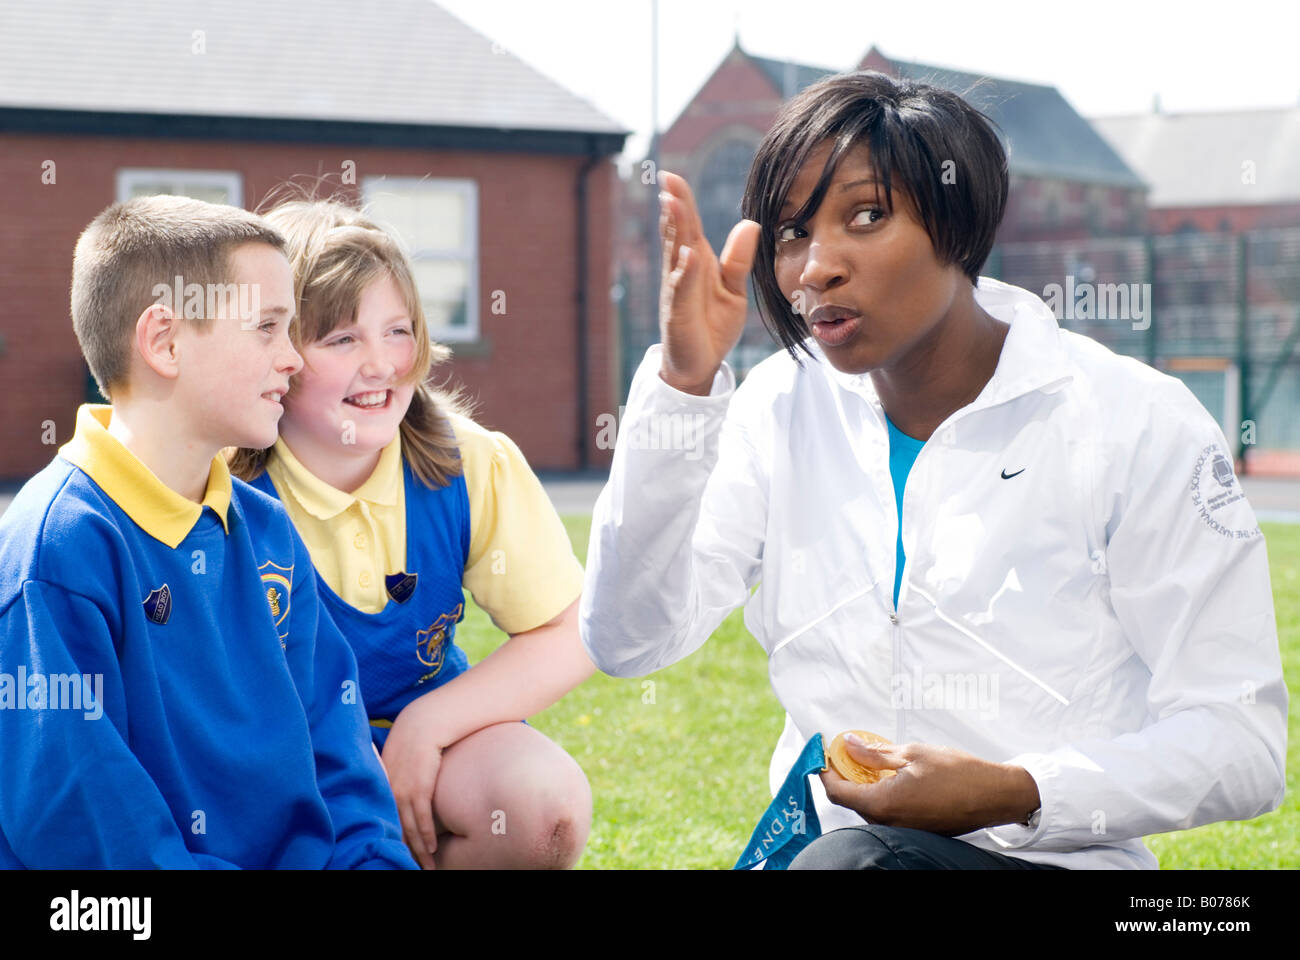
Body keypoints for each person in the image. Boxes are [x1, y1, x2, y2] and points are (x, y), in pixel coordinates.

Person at [579, 70, 1287, 869]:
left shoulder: (1134, 421)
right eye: (790, 232)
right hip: (828, 853)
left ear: (956, 222)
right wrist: (681, 389)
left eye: (867, 215)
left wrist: (1018, 789)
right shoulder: (775, 408)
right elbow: (627, 640)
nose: (816, 267)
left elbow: (1241, 740)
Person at [0, 195, 416, 869]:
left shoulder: (268, 532)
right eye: (267, 328)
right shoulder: (55, 553)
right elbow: (95, 841)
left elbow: (340, 760)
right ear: (164, 341)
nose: (293, 359)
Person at [229, 199, 594, 870]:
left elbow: (571, 631)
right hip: (277, 754)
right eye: (341, 338)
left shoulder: (467, 461)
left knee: (542, 810)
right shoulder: (221, 484)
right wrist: (346, 763)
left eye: (397, 330)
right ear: (276, 352)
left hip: (426, 733)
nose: (381, 364)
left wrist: (425, 729)